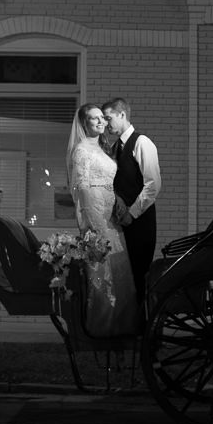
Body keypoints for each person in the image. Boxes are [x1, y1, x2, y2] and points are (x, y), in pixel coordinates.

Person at [67, 103, 140, 339]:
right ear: (83, 123)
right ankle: (102, 326)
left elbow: (109, 180)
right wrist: (95, 225)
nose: (100, 122)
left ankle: (121, 325)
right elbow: (83, 189)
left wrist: (117, 200)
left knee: (119, 268)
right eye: (93, 118)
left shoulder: (102, 148)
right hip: (96, 214)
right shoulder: (81, 151)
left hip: (111, 213)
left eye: (102, 118)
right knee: (102, 269)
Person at [102, 97, 162, 302]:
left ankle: (142, 329)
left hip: (140, 223)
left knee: (138, 276)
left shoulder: (142, 143)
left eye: (108, 118)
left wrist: (131, 214)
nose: (106, 124)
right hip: (121, 224)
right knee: (124, 279)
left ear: (122, 115)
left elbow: (153, 185)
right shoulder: (115, 147)